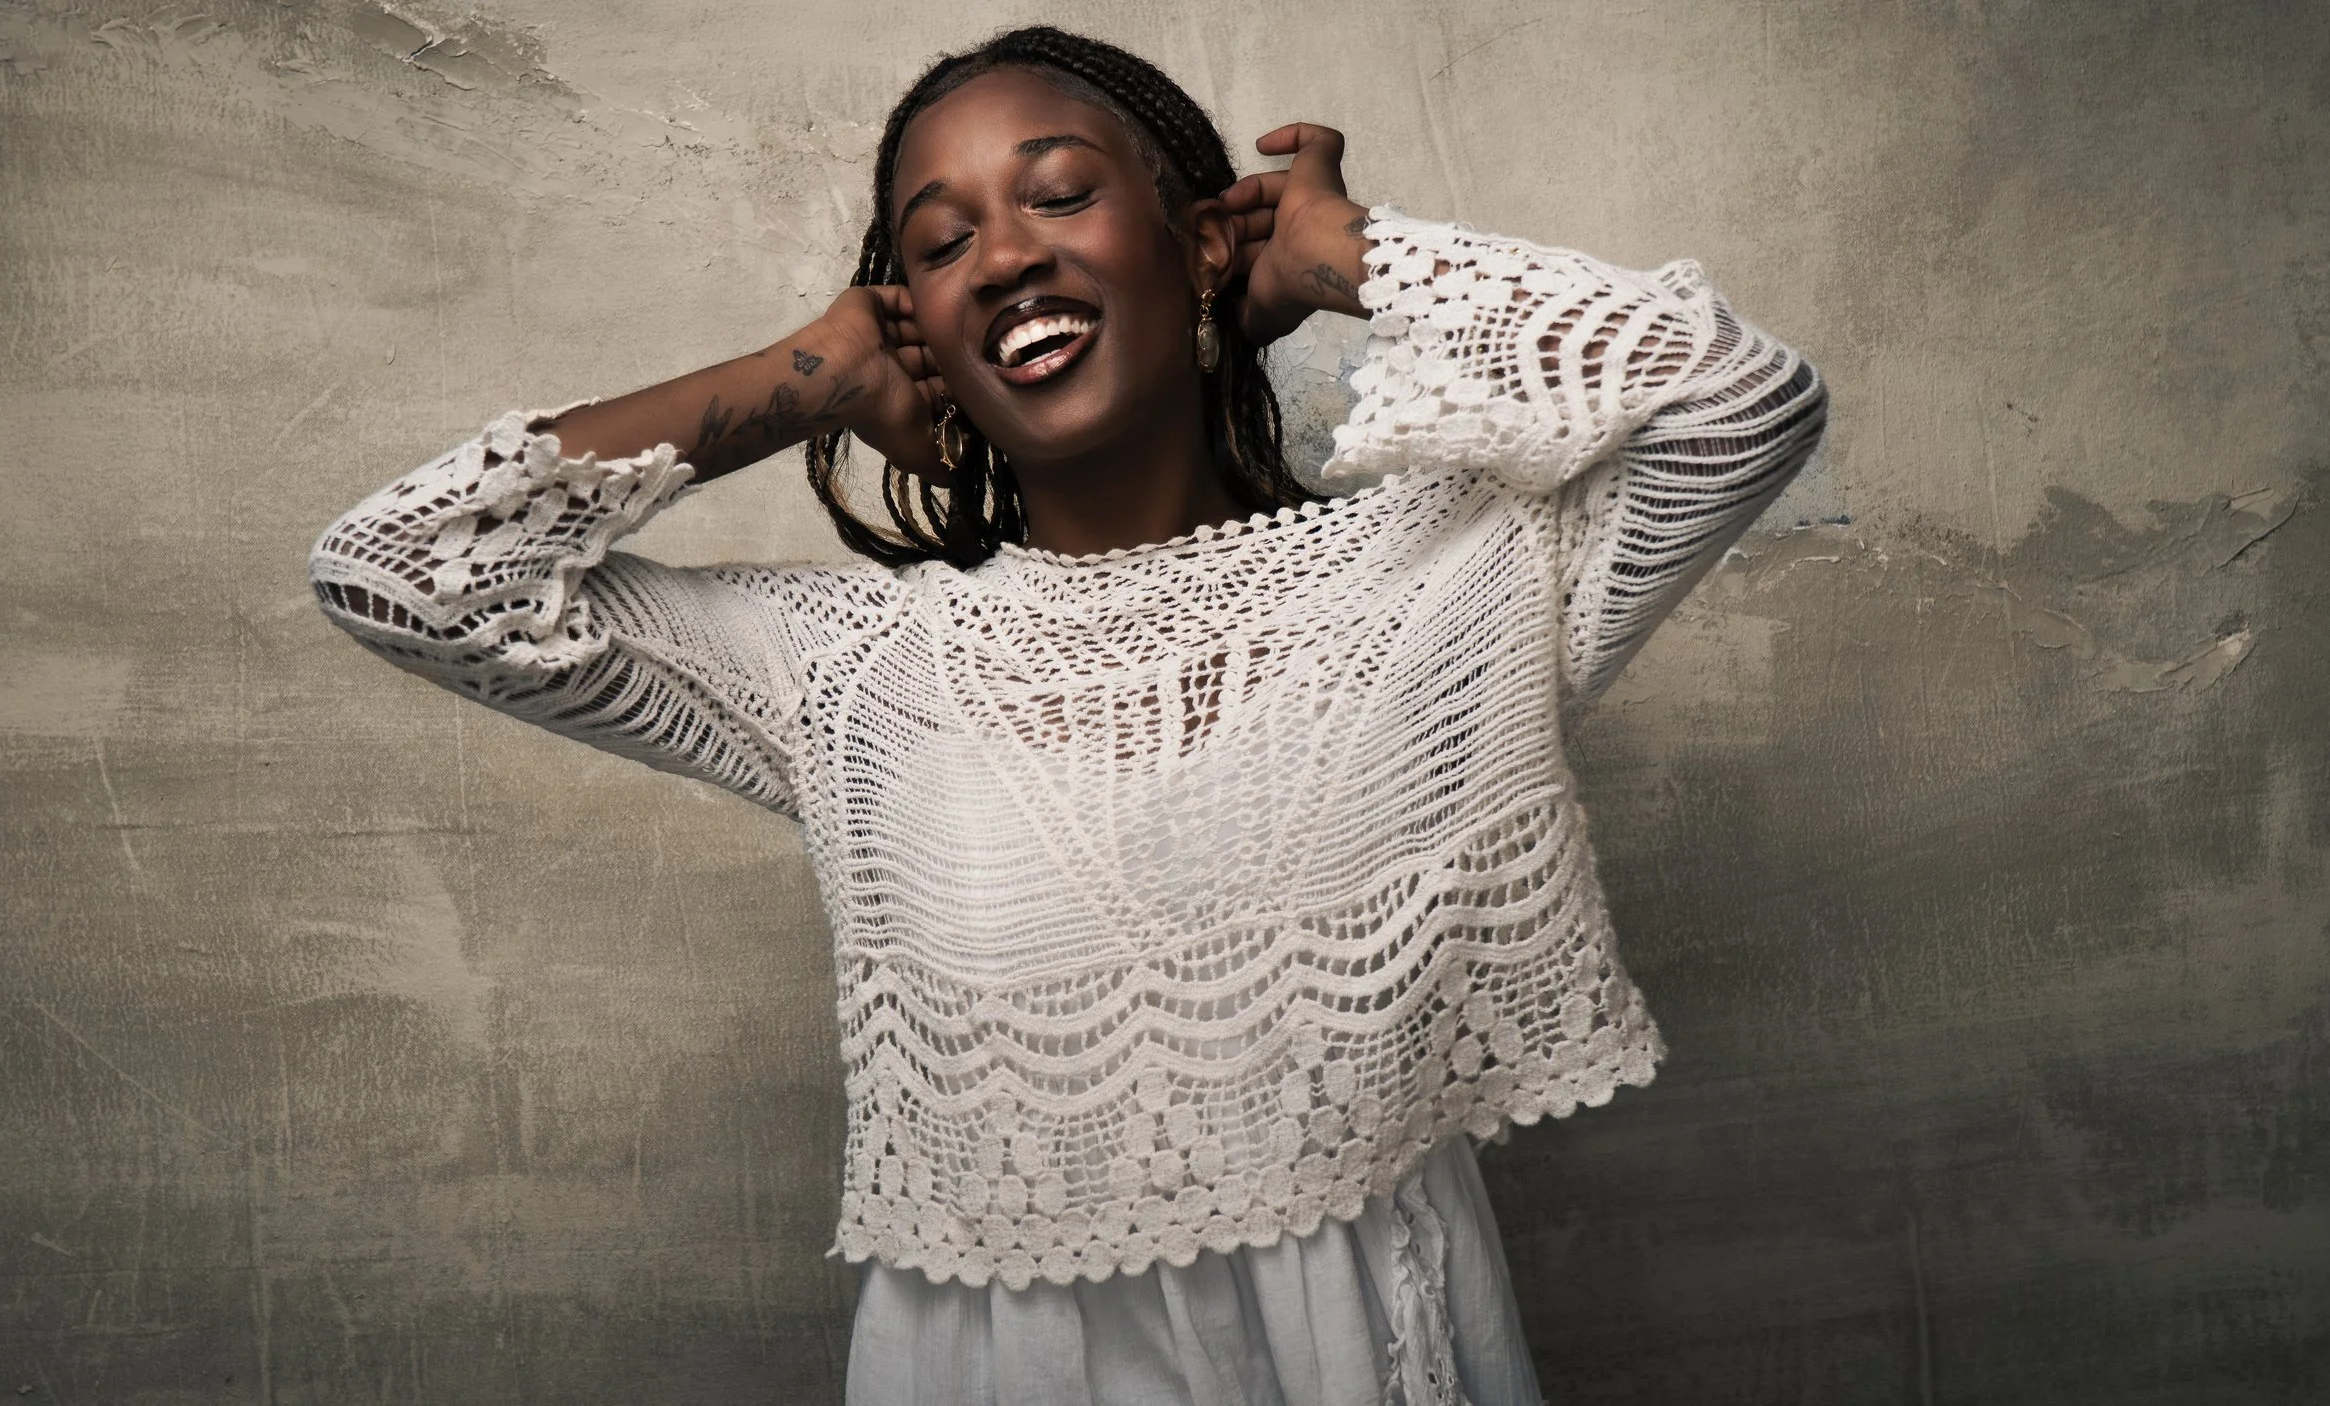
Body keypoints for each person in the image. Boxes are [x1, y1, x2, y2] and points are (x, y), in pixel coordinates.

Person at [308, 24, 1826, 1406]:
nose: (1003, 258)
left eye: (1058, 195)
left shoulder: (1442, 586)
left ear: (1193, 245)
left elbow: (1737, 400)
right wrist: (813, 371)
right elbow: (400, 573)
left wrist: (1339, 256)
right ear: (922, 327)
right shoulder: (855, 669)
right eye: (942, 242)